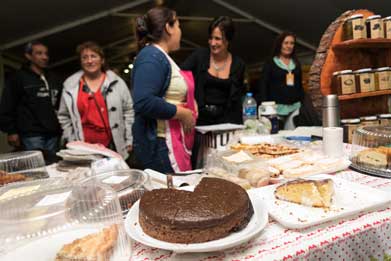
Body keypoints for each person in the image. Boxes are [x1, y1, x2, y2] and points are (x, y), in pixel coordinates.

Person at [132, 7, 197, 173]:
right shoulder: (151, 56)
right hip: (161, 147)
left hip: (171, 143)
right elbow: (144, 101)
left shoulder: (161, 56)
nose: (180, 31)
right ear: (168, 28)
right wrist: (184, 113)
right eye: (178, 26)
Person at [58, 41, 134, 159]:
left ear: (102, 60)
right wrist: (71, 139)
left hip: (113, 144)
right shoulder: (70, 86)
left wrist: (129, 139)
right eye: (85, 57)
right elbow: (64, 116)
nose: (89, 61)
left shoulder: (117, 82)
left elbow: (129, 111)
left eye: (93, 56)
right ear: (81, 62)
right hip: (85, 147)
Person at [0, 40, 62, 159]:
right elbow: (7, 104)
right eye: (39, 53)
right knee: (37, 167)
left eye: (46, 54)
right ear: (29, 56)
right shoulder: (18, 78)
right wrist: (11, 131)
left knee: (53, 166)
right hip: (31, 134)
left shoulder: (54, 78)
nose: (44, 57)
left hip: (53, 133)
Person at [181, 16, 246, 126]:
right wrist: (191, 100)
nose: (212, 43)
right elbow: (180, 76)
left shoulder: (239, 64)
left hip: (227, 122)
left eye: (217, 39)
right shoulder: (199, 56)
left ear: (227, 40)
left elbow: (236, 101)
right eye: (210, 38)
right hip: (200, 121)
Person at [255, 32, 305, 129]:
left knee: (291, 137)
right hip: (275, 109)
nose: (289, 46)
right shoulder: (270, 63)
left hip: (294, 108)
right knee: (274, 136)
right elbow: (263, 86)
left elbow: (299, 86)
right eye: (286, 43)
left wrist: (303, 104)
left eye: (292, 43)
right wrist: (265, 107)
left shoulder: (296, 63)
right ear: (280, 44)